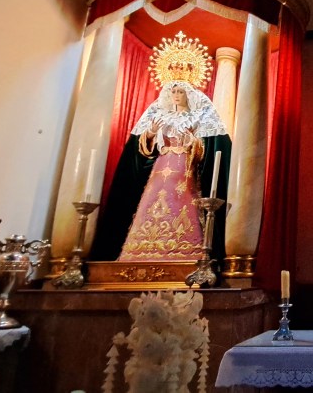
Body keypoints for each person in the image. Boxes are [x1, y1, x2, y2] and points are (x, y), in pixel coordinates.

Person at [91, 79, 230, 263]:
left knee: (183, 204)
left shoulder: (197, 117)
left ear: (188, 95)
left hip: (183, 170)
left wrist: (191, 141)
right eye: (174, 92)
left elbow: (203, 150)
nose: (177, 95)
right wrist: (150, 133)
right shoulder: (160, 115)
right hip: (160, 169)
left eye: (181, 92)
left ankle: (187, 252)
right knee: (150, 205)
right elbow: (145, 150)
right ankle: (141, 252)